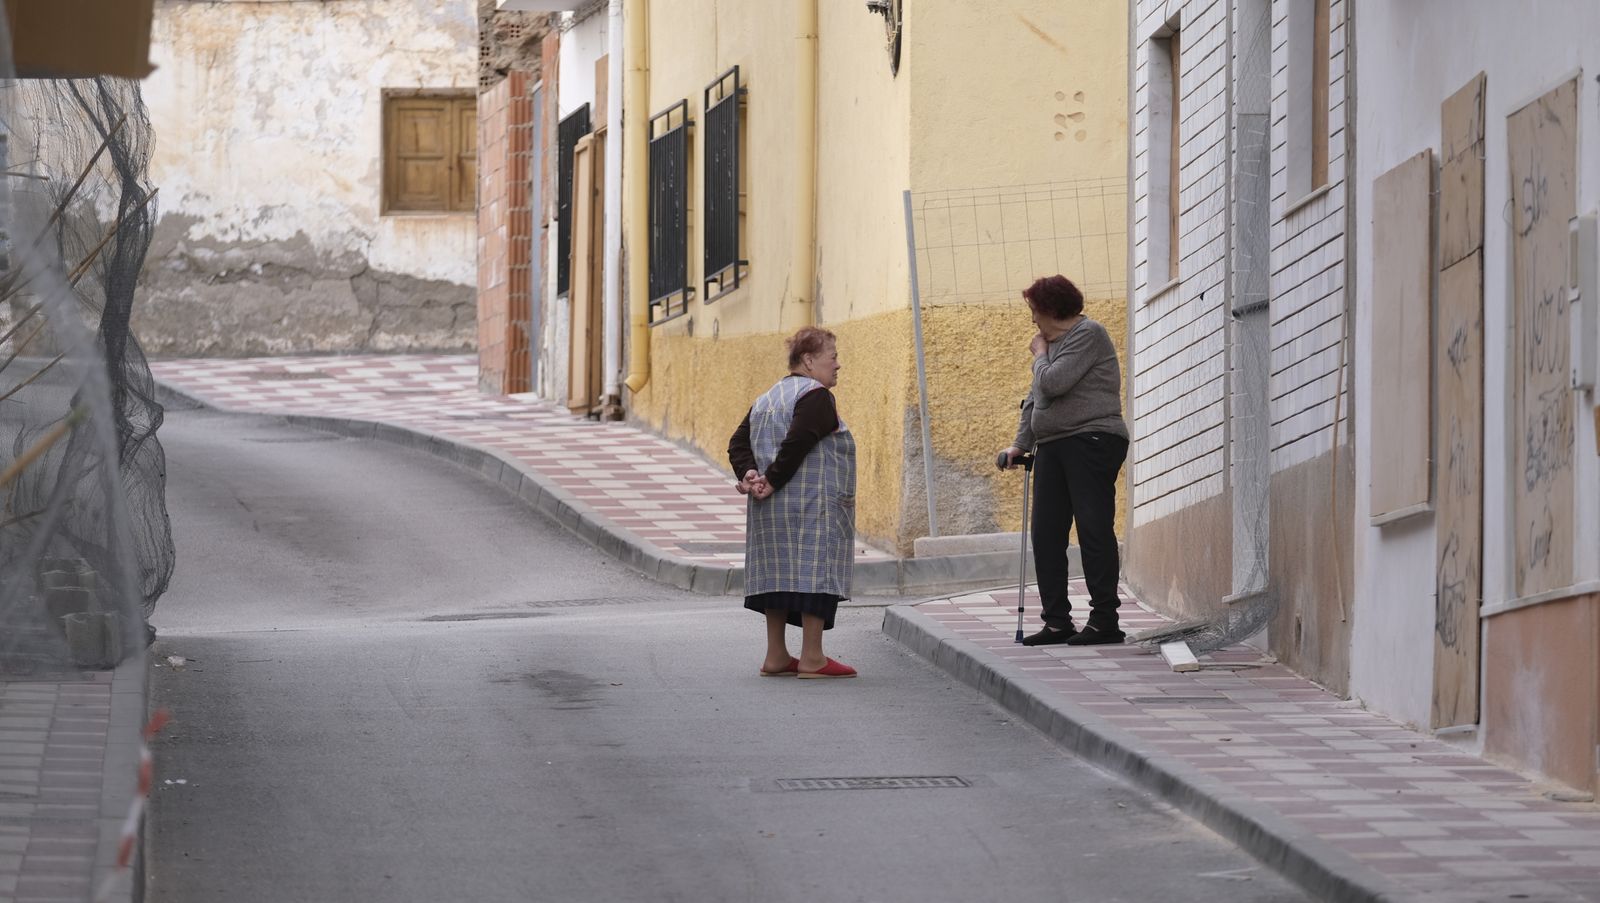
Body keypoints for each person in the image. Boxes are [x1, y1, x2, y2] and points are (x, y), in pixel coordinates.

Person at [998, 275, 1130, 646]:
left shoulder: (1089, 335)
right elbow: (1035, 399)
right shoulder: (1054, 345)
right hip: (1053, 445)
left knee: (1092, 529)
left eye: (1035, 313)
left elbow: (1053, 383)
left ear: (1051, 311)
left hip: (1092, 439)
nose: (1033, 322)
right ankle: (1057, 621)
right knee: (1046, 534)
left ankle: (1105, 620)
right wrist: (1019, 444)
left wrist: (1039, 356)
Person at [727, 326, 858, 679]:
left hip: (772, 508)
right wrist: (770, 479)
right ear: (809, 360)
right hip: (811, 505)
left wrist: (750, 474)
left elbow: (738, 442)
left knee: (777, 573)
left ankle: (776, 655)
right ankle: (813, 657)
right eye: (833, 357)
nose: (838, 365)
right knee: (815, 573)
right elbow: (798, 441)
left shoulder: (767, 398)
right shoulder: (816, 397)